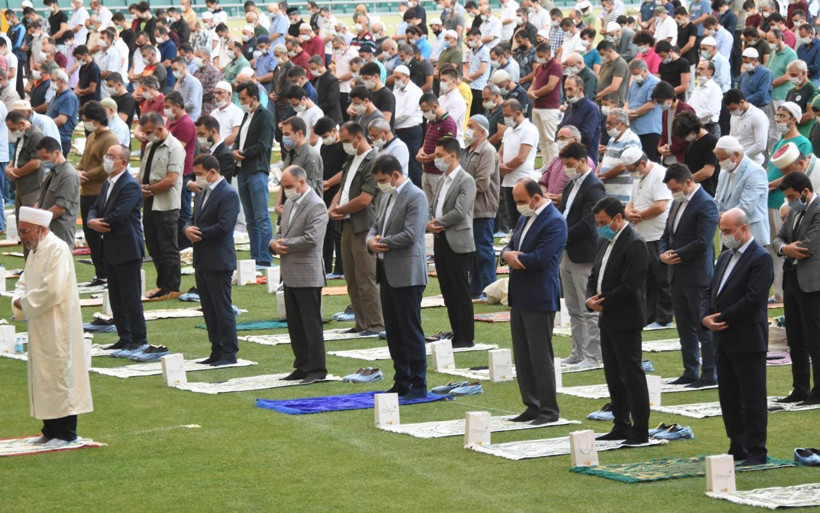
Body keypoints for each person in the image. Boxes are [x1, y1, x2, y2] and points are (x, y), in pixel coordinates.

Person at [12, 207, 92, 447]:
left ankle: (65, 432)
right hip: (39, 321)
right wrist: (19, 300)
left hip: (58, 322)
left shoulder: (56, 249)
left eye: (26, 231)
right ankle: (50, 429)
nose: (23, 236)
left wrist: (25, 303)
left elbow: (53, 289)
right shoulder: (36, 250)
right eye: (20, 231)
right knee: (43, 374)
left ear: (41, 229)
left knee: (59, 373)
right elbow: (24, 281)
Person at [703, 207, 773, 466]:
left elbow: (754, 299)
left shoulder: (760, 258)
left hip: (747, 339)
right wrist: (704, 317)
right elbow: (710, 290)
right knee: (729, 396)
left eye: (728, 231)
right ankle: (737, 444)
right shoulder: (724, 257)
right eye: (722, 231)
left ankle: (757, 450)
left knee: (752, 397)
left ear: (743, 229)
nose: (724, 236)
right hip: (723, 338)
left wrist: (721, 318)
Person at [500, 177, 567, 425]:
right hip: (519, 295)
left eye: (521, 201)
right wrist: (508, 254)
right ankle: (532, 404)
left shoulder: (555, 222)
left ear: (536, 198)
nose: (518, 205)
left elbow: (541, 258)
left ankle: (549, 409)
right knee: (523, 355)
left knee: (540, 356)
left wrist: (517, 258)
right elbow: (510, 243)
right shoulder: (525, 217)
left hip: (539, 296)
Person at [586, 197, 650, 445]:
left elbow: (630, 285)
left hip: (626, 317)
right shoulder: (605, 239)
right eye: (598, 222)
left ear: (618, 218)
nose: (600, 226)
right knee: (613, 374)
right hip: (606, 316)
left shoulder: (635, 243)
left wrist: (602, 301)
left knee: (631, 374)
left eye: (604, 222)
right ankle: (620, 423)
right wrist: (590, 298)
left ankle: (640, 429)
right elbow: (595, 274)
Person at [367, 154, 429, 399]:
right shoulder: (385, 197)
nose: (380, 184)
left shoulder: (416, 196)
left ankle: (418, 383)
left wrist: (383, 243)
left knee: (410, 330)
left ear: (395, 175)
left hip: (408, 274)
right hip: (386, 272)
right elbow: (375, 226)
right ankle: (401, 380)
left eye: (383, 179)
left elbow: (412, 234)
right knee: (393, 331)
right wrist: (371, 241)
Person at [660, 163, 720, 386]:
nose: (673, 193)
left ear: (687, 182)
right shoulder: (677, 204)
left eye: (675, 188)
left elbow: (703, 242)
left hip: (697, 276)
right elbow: (667, 233)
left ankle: (709, 374)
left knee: (702, 326)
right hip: (676, 274)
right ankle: (690, 370)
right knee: (684, 327)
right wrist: (663, 253)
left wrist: (674, 254)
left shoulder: (706, 204)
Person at [87, 144, 147, 353]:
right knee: (115, 296)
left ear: (123, 162)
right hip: (110, 247)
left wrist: (98, 222)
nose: (107, 159)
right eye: (106, 155)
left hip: (127, 247)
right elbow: (95, 207)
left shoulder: (129, 185)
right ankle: (124, 336)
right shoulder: (107, 183)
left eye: (111, 156)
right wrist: (91, 220)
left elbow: (120, 215)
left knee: (130, 297)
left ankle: (138, 338)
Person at [271, 165, 329, 382]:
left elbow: (313, 238)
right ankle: (302, 365)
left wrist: (284, 244)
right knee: (295, 324)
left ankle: (317, 368)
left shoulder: (316, 205)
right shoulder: (290, 204)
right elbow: (279, 232)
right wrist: (273, 243)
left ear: (302, 182)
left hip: (307, 272)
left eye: (289, 186)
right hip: (289, 272)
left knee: (311, 323)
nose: (286, 191)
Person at [329, 121, 384, 336]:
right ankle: (361, 323)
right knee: (351, 278)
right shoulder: (351, 159)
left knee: (366, 277)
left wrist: (340, 209)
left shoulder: (374, 160)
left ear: (358, 137)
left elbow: (365, 199)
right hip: (347, 223)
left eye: (345, 140)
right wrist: (333, 208)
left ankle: (375, 324)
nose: (344, 145)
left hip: (364, 226)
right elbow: (342, 187)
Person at [185, 154, 240, 367]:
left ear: (212, 172)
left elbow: (225, 226)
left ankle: (229, 351)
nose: (197, 178)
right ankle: (216, 348)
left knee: (221, 306)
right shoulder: (201, 194)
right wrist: (187, 228)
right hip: (202, 259)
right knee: (208, 308)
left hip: (219, 259)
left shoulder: (228, 194)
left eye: (200, 174)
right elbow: (192, 218)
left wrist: (198, 233)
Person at [772, 171, 820, 404]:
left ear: (805, 191)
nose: (789, 201)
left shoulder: (818, 210)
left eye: (792, 196)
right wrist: (785, 249)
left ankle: (818, 390)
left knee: (815, 337)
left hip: (812, 284)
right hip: (791, 279)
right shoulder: (793, 212)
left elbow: (808, 245)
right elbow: (777, 239)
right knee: (795, 337)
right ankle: (800, 387)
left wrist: (786, 249)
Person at [558, 143, 606, 367]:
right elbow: (564, 213)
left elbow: (589, 223)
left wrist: (562, 236)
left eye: (570, 164)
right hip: (567, 252)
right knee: (572, 307)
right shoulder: (571, 184)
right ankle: (578, 352)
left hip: (583, 252)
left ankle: (593, 356)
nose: (567, 168)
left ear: (583, 160)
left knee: (587, 307)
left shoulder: (594, 187)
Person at [428, 137, 476, 348]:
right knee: (447, 290)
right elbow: (433, 206)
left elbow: (460, 211)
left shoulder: (466, 180)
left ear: (452, 156)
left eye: (440, 156)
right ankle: (456, 332)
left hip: (458, 240)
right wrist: (430, 223)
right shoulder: (441, 180)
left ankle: (466, 336)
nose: (436, 160)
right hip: (441, 239)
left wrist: (437, 223)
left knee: (460, 291)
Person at [621, 148, 673, 328]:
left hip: (658, 234)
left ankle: (664, 317)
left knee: (662, 278)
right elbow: (632, 200)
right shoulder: (639, 177)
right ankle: (648, 316)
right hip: (643, 234)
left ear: (642, 164)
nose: (630, 173)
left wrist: (640, 216)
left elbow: (661, 206)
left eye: (631, 168)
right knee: (647, 278)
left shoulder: (659, 175)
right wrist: (628, 212)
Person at [138, 111, 184, 299]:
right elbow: (142, 172)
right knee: (153, 245)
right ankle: (161, 284)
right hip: (149, 201)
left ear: (159, 128)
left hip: (166, 204)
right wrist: (139, 187)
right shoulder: (150, 146)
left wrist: (150, 188)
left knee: (168, 246)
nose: (146, 134)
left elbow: (172, 179)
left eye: (149, 131)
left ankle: (172, 287)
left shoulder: (175, 148)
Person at [233, 82, 274, 267]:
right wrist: (235, 150)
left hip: (257, 170)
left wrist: (242, 153)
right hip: (242, 170)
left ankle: (265, 257)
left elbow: (263, 144)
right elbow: (239, 140)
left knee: (262, 216)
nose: (241, 102)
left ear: (254, 98)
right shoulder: (246, 115)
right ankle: (255, 256)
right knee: (250, 219)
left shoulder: (265, 115)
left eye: (243, 99)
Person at [461, 114, 499, 300]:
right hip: (469, 207)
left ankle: (489, 289)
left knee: (483, 250)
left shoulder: (487, 151)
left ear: (482, 132)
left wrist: (460, 192)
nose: (467, 129)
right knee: (473, 251)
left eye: (471, 126)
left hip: (482, 207)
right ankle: (475, 288)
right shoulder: (467, 150)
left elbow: (482, 183)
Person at [714, 135, 771, 245]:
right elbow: (717, 199)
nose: (720, 163)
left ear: (735, 155)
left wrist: (722, 217)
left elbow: (746, 208)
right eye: (719, 159)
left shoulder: (755, 172)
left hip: (750, 237)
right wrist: (712, 212)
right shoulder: (724, 172)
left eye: (723, 159)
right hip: (729, 236)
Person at [499, 99, 538, 230]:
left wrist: (506, 167)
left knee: (524, 217)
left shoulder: (529, 130)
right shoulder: (508, 130)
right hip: (508, 181)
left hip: (523, 180)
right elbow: (500, 152)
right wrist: (500, 165)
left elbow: (522, 157)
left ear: (518, 113)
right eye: (504, 115)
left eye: (508, 115)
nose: (506, 118)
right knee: (513, 220)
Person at [34, 137, 79, 248]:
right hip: (48, 228)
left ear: (57, 153)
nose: (43, 161)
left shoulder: (68, 175)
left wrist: (39, 220)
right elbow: (41, 198)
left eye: (45, 157)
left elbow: (60, 208)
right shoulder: (53, 172)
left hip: (59, 231)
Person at [418, 93, 458, 204]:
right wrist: (420, 152)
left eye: (426, 110)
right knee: (428, 207)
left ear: (435, 107)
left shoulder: (448, 123)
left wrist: (428, 158)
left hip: (438, 173)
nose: (424, 114)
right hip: (426, 171)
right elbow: (426, 141)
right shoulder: (431, 122)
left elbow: (447, 149)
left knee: (439, 205)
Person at [6, 111, 45, 217]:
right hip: (21, 185)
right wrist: (9, 168)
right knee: (21, 222)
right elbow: (18, 155)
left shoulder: (35, 135)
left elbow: (35, 163)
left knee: (29, 222)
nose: (11, 132)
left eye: (12, 128)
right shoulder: (23, 134)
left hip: (32, 186)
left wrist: (16, 172)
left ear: (22, 124)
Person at [528, 42, 561, 167]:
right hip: (537, 107)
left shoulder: (556, 66)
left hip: (549, 108)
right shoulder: (539, 67)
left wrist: (535, 93)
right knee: (541, 140)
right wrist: (530, 91)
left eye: (541, 55)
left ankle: (554, 166)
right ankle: (546, 166)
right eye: (538, 55)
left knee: (549, 139)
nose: (539, 57)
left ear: (548, 54)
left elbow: (551, 85)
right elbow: (534, 83)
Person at [558, 74, 601, 165]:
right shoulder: (569, 108)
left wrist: (566, 139)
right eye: (565, 90)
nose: (568, 94)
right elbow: (560, 129)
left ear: (580, 89)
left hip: (585, 159)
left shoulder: (591, 108)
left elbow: (587, 136)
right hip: (568, 158)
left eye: (570, 89)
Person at [725, 88, 770, 166]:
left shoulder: (758, 116)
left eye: (733, 108)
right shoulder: (734, 115)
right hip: (735, 162)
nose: (731, 112)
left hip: (754, 163)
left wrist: (741, 157)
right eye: (729, 109)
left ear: (742, 102)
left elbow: (760, 145)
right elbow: (732, 136)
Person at [46, 69, 79, 156]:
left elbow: (61, 120)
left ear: (61, 81)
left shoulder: (69, 97)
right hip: (52, 135)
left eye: (53, 80)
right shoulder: (56, 96)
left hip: (61, 138)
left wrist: (46, 126)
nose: (51, 82)